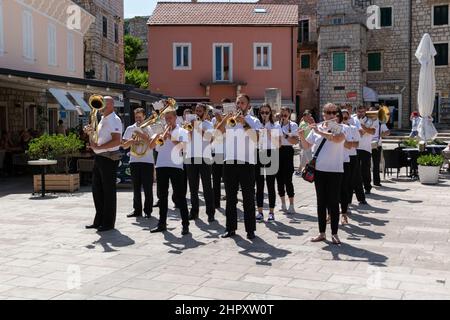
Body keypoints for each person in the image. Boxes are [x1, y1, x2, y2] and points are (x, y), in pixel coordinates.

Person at [298, 103, 346, 244]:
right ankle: (322, 233)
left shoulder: (339, 127)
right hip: (319, 170)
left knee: (333, 203)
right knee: (321, 203)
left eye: (333, 113)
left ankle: (335, 233)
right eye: (327, 112)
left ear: (336, 115)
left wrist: (320, 132)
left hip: (335, 170)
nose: (330, 115)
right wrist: (301, 135)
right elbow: (307, 146)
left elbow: (338, 139)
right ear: (323, 114)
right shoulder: (317, 129)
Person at [216, 94, 262, 240]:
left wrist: (244, 123)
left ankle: (250, 230)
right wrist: (224, 118)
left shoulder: (253, 120)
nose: (239, 105)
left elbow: (257, 139)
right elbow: (217, 133)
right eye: (237, 103)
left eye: (242, 103)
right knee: (230, 198)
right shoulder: (230, 120)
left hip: (246, 163)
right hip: (229, 162)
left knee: (248, 197)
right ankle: (230, 228)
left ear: (248, 106)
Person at [149, 104, 190, 236]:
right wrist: (157, 136)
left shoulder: (182, 131)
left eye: (170, 118)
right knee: (162, 196)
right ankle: (162, 223)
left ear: (175, 118)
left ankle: (185, 225)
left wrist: (171, 137)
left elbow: (183, 147)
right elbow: (151, 146)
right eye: (166, 118)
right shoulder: (160, 131)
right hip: (161, 165)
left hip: (176, 166)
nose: (168, 121)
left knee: (180, 196)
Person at [84, 96, 123, 232]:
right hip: (100, 157)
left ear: (111, 105)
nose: (101, 106)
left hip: (109, 158)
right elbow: (98, 139)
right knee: (97, 190)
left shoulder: (115, 119)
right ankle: (99, 220)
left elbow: (117, 141)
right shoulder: (102, 119)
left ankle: (108, 223)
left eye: (104, 103)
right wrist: (90, 132)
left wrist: (100, 147)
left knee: (108, 191)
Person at [122, 108, 155, 219]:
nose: (138, 119)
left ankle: (148, 211)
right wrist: (132, 141)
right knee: (136, 188)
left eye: (140, 117)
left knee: (147, 188)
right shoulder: (130, 128)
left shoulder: (150, 128)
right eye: (136, 117)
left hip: (147, 161)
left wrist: (142, 136)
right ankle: (137, 210)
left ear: (144, 117)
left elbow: (152, 145)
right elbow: (124, 145)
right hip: (134, 161)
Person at [185, 103, 215, 222]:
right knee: (193, 187)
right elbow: (188, 139)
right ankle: (194, 212)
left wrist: (198, 127)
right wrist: (190, 128)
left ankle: (210, 213)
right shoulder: (189, 124)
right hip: (191, 156)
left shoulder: (208, 124)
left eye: (200, 111)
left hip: (204, 157)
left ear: (205, 112)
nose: (197, 112)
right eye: (196, 110)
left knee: (207, 187)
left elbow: (210, 139)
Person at [255, 103, 281, 222]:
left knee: (271, 184)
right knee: (259, 184)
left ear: (270, 113)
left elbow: (278, 144)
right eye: (262, 112)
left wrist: (268, 131)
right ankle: (259, 212)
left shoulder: (275, 125)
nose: (264, 115)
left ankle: (271, 212)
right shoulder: (256, 124)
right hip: (259, 152)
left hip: (272, 153)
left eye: (267, 112)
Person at [277, 107, 299, 213]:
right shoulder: (276, 124)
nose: (283, 117)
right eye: (282, 115)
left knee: (288, 180)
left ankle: (291, 204)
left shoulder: (294, 125)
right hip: (277, 150)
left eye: (285, 115)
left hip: (288, 151)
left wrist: (285, 135)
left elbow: (295, 141)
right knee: (279, 180)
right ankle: (283, 204)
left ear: (289, 114)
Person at [340, 109, 359, 224]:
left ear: (349, 118)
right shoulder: (336, 128)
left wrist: (347, 143)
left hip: (350, 157)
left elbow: (356, 143)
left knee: (348, 183)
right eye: (341, 118)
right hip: (338, 158)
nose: (343, 120)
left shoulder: (352, 128)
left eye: (345, 118)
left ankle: (346, 206)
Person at [353, 105, 375, 195]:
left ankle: (367, 187)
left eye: (362, 111)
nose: (360, 113)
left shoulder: (370, 120)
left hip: (365, 148)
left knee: (365, 169)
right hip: (355, 147)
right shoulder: (353, 119)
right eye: (359, 111)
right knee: (355, 169)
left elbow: (372, 131)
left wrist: (362, 126)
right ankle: (355, 187)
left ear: (365, 111)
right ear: (356, 111)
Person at [211, 100, 228, 209]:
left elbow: (227, 133)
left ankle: (231, 199)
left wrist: (222, 120)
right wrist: (217, 120)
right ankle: (216, 202)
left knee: (227, 179)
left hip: (226, 152)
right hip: (216, 152)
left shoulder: (230, 119)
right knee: (216, 179)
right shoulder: (213, 119)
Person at [370, 106, 390, 187]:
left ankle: (376, 181)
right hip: (366, 145)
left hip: (377, 145)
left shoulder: (380, 122)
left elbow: (388, 132)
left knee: (376, 164)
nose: (373, 114)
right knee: (365, 165)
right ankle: (365, 182)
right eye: (371, 112)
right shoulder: (366, 121)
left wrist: (380, 135)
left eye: (374, 112)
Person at [296, 110, 314, 175]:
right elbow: (300, 131)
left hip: (307, 142)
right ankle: (305, 171)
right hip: (304, 142)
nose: (310, 117)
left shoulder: (307, 123)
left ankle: (300, 170)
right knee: (307, 157)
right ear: (305, 116)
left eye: (310, 115)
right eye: (309, 116)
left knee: (305, 156)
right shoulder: (303, 124)